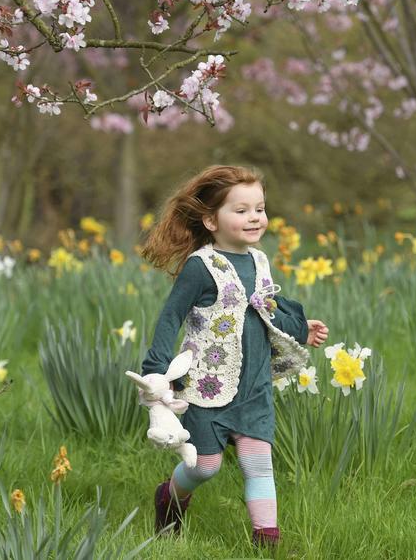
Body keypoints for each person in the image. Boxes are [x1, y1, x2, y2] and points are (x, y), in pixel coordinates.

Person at [140, 164, 329, 549]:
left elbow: (265, 309)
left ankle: (266, 543)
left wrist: (300, 328)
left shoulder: (259, 260)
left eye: (259, 208)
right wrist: (156, 373)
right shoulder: (200, 267)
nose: (254, 217)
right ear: (211, 219)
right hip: (207, 385)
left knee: (258, 464)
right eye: (240, 210)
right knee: (204, 466)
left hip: (254, 386)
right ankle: (169, 497)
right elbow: (170, 318)